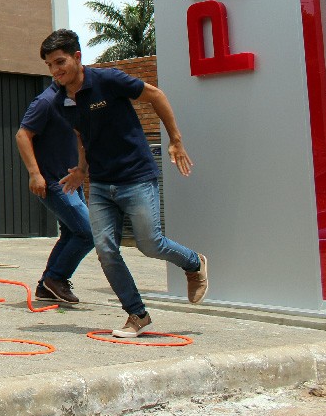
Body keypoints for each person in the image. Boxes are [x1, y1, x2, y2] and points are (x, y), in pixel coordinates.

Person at [40, 29, 208, 338]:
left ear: (77, 57)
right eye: (50, 65)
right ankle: (137, 314)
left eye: (60, 62)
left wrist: (176, 140)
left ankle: (194, 263)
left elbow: (155, 95)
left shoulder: (108, 80)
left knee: (149, 243)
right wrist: (81, 169)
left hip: (135, 176)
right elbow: (82, 135)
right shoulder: (60, 100)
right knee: (106, 250)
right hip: (102, 184)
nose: (56, 70)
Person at [15, 81, 94, 305]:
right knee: (89, 232)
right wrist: (34, 174)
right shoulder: (46, 101)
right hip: (53, 182)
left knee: (72, 233)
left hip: (71, 180)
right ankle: (56, 278)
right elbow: (22, 135)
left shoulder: (74, 101)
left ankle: (46, 286)